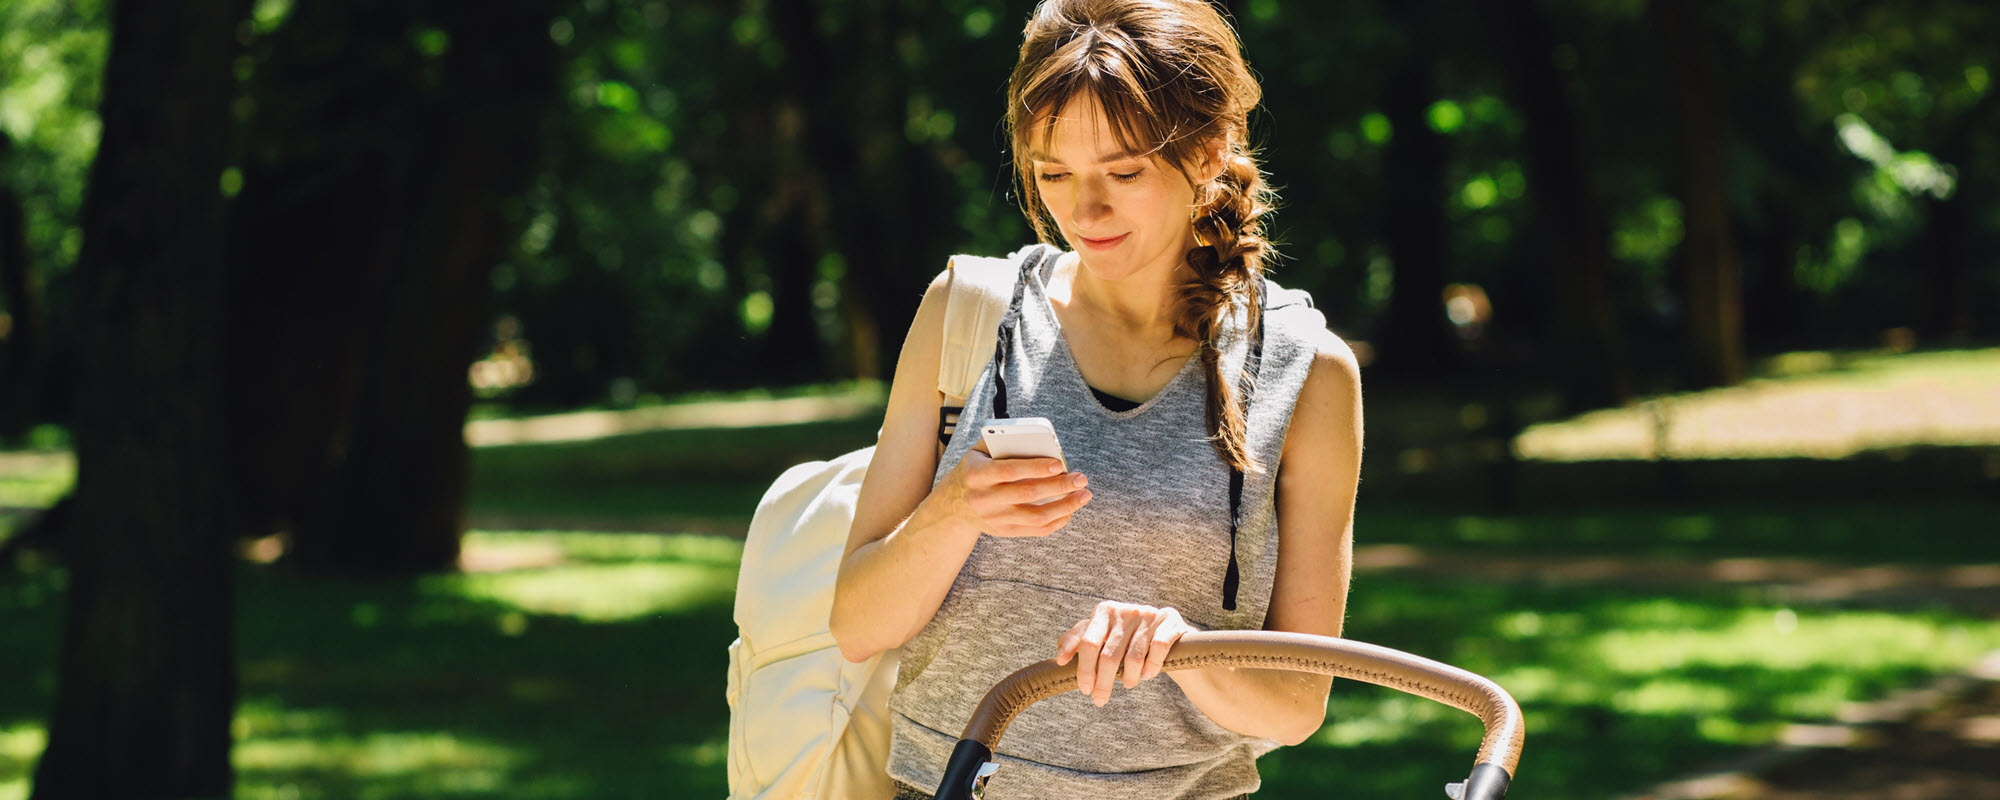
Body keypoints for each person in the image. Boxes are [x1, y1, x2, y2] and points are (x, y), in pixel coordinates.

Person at [829, 1, 1362, 797]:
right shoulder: (967, 313)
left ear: (1211, 150)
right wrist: (953, 511)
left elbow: (1294, 706)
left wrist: (1182, 651)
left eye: (1123, 172)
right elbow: (855, 624)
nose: (1084, 212)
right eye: (1053, 175)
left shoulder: (1304, 369)